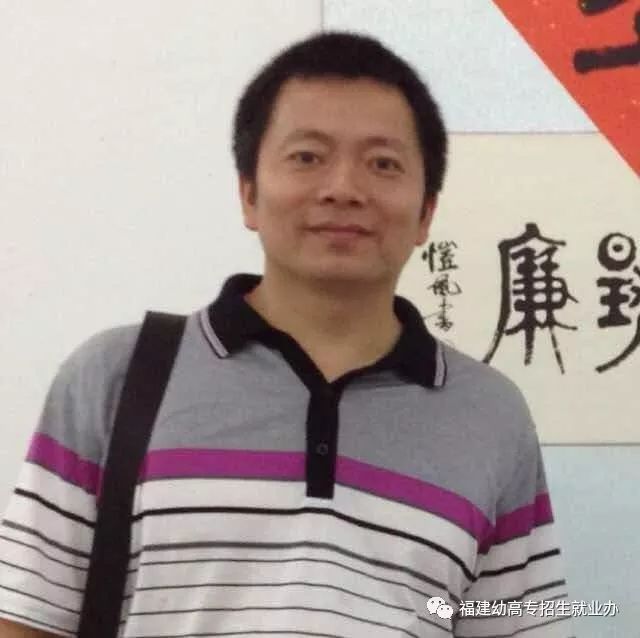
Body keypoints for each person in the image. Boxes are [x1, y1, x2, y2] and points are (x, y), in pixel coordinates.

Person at [0, 31, 574, 637]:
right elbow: (27, 621)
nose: (343, 189)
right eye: (307, 157)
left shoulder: (490, 416)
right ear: (248, 192)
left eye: (383, 164)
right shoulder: (117, 377)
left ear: (426, 211)